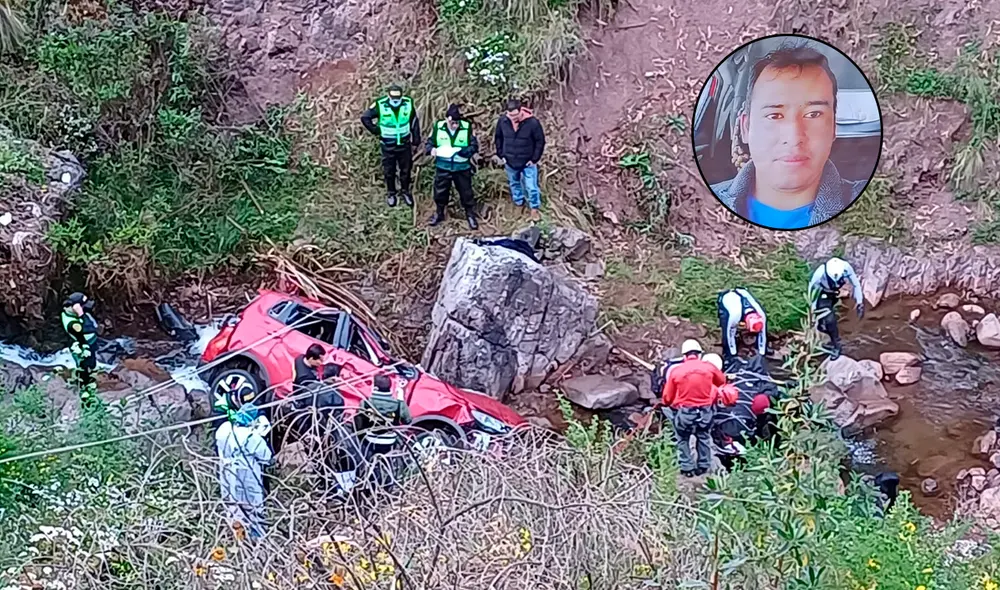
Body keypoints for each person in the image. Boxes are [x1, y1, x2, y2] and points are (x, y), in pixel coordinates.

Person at [710, 44, 867, 229]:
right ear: (746, 128)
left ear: (833, 128)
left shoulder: (869, 205)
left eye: (813, 114)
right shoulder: (705, 202)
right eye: (774, 116)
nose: (794, 137)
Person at [661, 339, 727, 477]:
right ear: (699, 354)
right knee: (703, 436)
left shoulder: (676, 371)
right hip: (705, 411)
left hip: (685, 412)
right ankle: (703, 465)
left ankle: (687, 468)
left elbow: (667, 398)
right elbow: (721, 381)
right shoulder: (709, 367)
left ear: (684, 356)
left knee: (683, 438)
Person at [217, 403, 273, 540]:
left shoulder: (224, 430)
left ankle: (236, 538)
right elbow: (266, 456)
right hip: (248, 473)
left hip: (227, 472)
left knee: (232, 505)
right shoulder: (251, 436)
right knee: (253, 506)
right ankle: (257, 540)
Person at [360, 84, 421, 208]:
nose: (395, 101)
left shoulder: (408, 103)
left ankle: (405, 191)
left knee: (406, 170)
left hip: (404, 144)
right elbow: (365, 118)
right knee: (389, 171)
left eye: (398, 98)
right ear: (388, 96)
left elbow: (414, 121)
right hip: (388, 145)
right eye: (393, 98)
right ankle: (391, 193)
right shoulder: (380, 105)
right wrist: (376, 130)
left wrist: (416, 140)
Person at [426, 104, 480, 229]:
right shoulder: (438, 127)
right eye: (452, 123)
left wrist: (463, 152)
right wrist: (431, 150)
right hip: (443, 166)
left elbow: (474, 146)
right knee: (440, 192)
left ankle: (470, 214)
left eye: (457, 123)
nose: (454, 125)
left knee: (466, 192)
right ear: (446, 120)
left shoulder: (466, 128)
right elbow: (429, 143)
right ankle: (439, 213)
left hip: (461, 167)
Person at [353, 374, 412, 487]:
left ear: (375, 388)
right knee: (387, 463)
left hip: (370, 441)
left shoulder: (366, 402)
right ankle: (387, 485)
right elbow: (408, 420)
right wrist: (401, 399)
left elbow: (358, 423)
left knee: (368, 465)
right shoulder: (397, 404)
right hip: (390, 442)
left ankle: (367, 485)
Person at [493, 99, 546, 221]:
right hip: (510, 160)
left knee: (531, 187)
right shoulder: (503, 121)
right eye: (510, 115)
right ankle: (519, 204)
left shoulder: (533, 123)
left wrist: (535, 159)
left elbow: (540, 141)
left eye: (515, 115)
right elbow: (498, 138)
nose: (513, 118)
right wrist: (501, 155)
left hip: (528, 162)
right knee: (514, 183)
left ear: (521, 110)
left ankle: (534, 209)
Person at [808, 256, 864, 359]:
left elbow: (855, 284)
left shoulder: (845, 267)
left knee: (828, 319)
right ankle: (833, 342)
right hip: (823, 294)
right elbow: (811, 290)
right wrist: (813, 307)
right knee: (828, 320)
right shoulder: (820, 273)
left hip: (834, 295)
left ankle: (832, 341)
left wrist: (859, 302)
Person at [61, 292, 99, 406]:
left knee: (92, 365)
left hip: (89, 343)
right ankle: (87, 396)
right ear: (75, 308)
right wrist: (81, 314)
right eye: (83, 306)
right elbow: (89, 328)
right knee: (86, 368)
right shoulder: (73, 324)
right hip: (83, 348)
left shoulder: (69, 312)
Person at [717, 288, 767, 362]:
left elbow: (763, 334)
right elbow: (729, 336)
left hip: (742, 292)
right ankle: (729, 353)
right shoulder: (735, 316)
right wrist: (732, 355)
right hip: (728, 298)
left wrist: (762, 354)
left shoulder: (761, 316)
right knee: (726, 326)